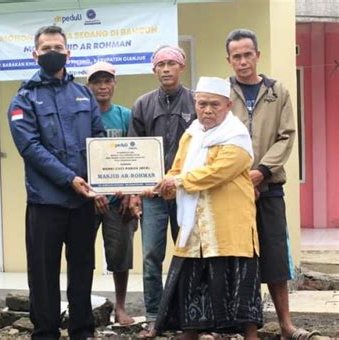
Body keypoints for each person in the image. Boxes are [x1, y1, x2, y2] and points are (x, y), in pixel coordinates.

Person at [7, 25, 105, 340]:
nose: (53, 52)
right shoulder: (23, 98)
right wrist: (70, 178)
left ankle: (82, 331)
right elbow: (31, 149)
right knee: (43, 274)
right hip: (45, 203)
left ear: (68, 52)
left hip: (81, 203)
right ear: (35, 54)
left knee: (82, 270)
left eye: (58, 47)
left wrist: (102, 177)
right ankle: (46, 332)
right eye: (46, 47)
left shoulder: (84, 93)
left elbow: (98, 138)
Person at [152, 76, 262, 339]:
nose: (208, 110)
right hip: (194, 227)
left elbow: (216, 174)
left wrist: (175, 182)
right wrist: (167, 184)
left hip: (229, 227)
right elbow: (177, 168)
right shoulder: (191, 135)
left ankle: (250, 336)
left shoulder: (237, 138)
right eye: (202, 104)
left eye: (215, 105)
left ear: (228, 105)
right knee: (191, 285)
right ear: (195, 103)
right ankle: (190, 333)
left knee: (240, 290)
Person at [226, 29, 318, 340]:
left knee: (276, 256)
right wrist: (240, 176)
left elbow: (287, 136)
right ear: (229, 60)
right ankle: (249, 327)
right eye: (236, 56)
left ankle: (286, 324)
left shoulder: (278, 91)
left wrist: (262, 171)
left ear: (257, 55)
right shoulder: (223, 94)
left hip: (270, 188)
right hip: (233, 192)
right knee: (244, 259)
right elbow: (217, 140)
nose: (242, 61)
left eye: (247, 54)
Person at [128, 45, 196, 330]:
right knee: (151, 256)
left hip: (186, 193)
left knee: (188, 253)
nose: (166, 69)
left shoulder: (196, 101)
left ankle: (188, 315)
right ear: (154, 69)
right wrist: (135, 192)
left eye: (172, 63)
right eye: (161, 64)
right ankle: (155, 315)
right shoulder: (142, 104)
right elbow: (134, 152)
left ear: (181, 67)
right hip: (152, 195)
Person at [86, 61, 138, 325]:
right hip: (87, 200)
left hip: (119, 201)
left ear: (114, 84)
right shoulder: (80, 116)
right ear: (89, 86)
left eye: (107, 81)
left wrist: (131, 193)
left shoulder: (125, 115)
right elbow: (76, 157)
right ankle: (82, 305)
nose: (102, 86)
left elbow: (136, 157)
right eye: (97, 81)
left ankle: (120, 307)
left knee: (120, 254)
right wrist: (92, 192)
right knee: (82, 254)